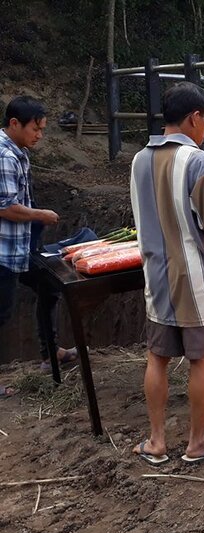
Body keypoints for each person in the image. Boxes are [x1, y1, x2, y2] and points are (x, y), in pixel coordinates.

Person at [130, 82, 204, 465]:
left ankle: (156, 442)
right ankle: (197, 442)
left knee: (156, 357)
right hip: (195, 280)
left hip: (156, 277)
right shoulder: (201, 162)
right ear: (194, 118)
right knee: (201, 358)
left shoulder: (140, 158)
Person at [0, 96, 77, 396]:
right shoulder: (5, 157)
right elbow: (5, 207)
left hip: (20, 246)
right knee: (1, 313)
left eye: (42, 129)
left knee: (49, 284)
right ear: (15, 124)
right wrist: (40, 215)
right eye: (35, 129)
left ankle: (51, 352)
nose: (39, 135)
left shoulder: (18, 151)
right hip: (4, 251)